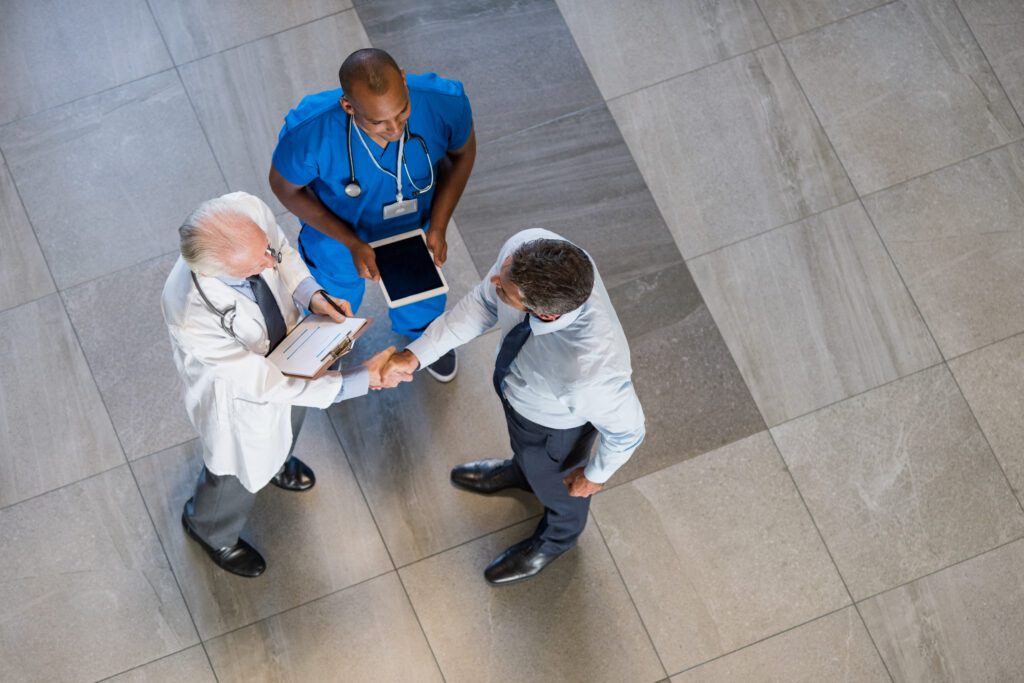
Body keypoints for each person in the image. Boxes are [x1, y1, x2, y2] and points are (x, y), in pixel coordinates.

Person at [161, 191, 409, 578]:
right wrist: (360, 379)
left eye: (264, 252)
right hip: (243, 396)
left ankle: (277, 462)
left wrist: (313, 295)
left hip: (292, 351)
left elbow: (282, 252)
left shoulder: (246, 211)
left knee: (290, 421)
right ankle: (210, 529)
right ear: (215, 271)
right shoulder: (191, 313)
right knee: (236, 469)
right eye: (253, 268)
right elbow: (266, 385)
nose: (268, 263)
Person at [383, 229, 646, 584]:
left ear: (545, 315)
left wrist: (594, 477)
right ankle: (522, 472)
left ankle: (557, 539)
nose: (493, 280)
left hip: (554, 428)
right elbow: (482, 303)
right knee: (527, 454)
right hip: (520, 398)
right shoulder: (528, 247)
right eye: (503, 271)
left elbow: (629, 431)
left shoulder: (592, 372)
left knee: (560, 487)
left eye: (505, 290)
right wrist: (416, 356)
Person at [270, 47, 476, 383]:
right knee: (333, 297)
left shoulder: (444, 102)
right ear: (348, 107)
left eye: (402, 112)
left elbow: (463, 153)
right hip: (338, 235)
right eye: (378, 122)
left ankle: (423, 338)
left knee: (422, 290)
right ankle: (331, 343)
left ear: (405, 82)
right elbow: (284, 187)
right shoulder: (309, 133)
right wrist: (351, 242)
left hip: (414, 225)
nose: (394, 128)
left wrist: (438, 225)